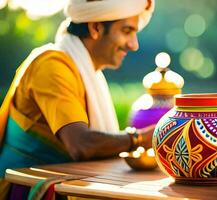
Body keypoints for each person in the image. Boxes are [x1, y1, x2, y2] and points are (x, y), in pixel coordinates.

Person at [0, 0, 155, 198]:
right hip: (29, 192)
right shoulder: (51, 65)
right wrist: (143, 138)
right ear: (95, 27)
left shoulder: (89, 73)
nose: (134, 44)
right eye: (126, 31)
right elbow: (82, 145)